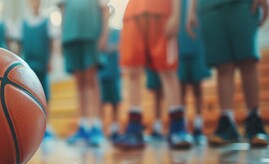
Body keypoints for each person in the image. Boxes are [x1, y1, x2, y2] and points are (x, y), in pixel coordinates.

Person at [115, 0, 194, 150]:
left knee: (168, 70)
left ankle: (178, 127)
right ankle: (134, 127)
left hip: (161, 10)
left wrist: (176, 15)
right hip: (133, 12)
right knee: (132, 70)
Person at [188, 0, 268, 146]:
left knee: (248, 60)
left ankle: (254, 118)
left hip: (244, 4)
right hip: (209, 6)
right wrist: (192, 10)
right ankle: (227, 121)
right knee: (223, 65)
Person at [146, 0, 211, 143]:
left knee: (197, 87)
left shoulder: (192, 5)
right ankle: (182, 125)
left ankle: (198, 125)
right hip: (178, 44)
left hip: (194, 42)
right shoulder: (168, 6)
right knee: (180, 88)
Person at [58, 0, 110, 147]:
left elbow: (105, 9)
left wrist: (104, 35)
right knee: (79, 83)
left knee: (91, 80)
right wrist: (63, 37)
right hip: (71, 37)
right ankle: (83, 125)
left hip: (91, 35)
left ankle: (96, 126)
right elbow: (63, 10)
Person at [17, 0, 56, 139]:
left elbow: (52, 44)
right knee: (28, 96)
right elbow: (19, 48)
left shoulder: (47, 23)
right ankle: (31, 126)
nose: (35, 3)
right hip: (27, 67)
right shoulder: (23, 24)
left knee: (46, 95)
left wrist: (51, 60)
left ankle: (47, 125)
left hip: (43, 64)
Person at [98, 14, 122, 141]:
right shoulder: (99, 34)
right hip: (102, 72)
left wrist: (113, 48)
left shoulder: (117, 32)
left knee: (115, 101)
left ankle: (115, 127)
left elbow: (121, 46)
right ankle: (101, 128)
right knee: (101, 102)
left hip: (114, 71)